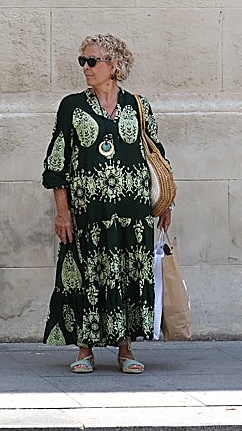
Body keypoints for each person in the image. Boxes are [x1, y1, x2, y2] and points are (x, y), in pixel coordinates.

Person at [41, 34, 173, 374]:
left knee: (129, 272)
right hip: (89, 212)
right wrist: (62, 211)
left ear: (114, 66)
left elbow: (155, 154)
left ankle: (125, 350)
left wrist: (165, 204)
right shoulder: (72, 106)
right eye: (82, 61)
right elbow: (57, 163)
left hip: (133, 213)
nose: (86, 67)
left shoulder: (137, 105)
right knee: (87, 274)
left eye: (92, 61)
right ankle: (84, 350)